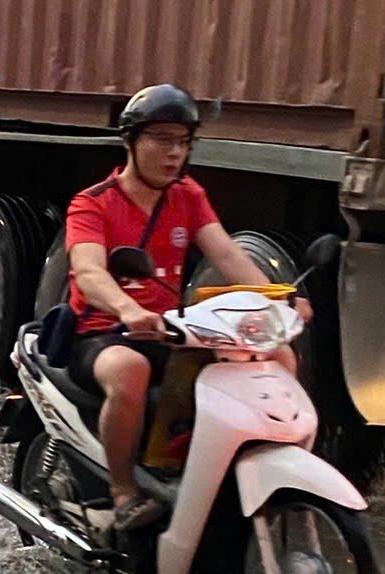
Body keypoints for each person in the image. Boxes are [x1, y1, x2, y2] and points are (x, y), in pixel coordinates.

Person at [63, 84, 298, 544]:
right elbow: (88, 272)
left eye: (183, 142)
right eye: (161, 139)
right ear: (130, 141)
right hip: (104, 332)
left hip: (173, 332)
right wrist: (129, 309)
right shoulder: (93, 203)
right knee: (129, 371)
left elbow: (228, 256)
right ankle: (123, 491)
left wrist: (278, 301)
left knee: (276, 359)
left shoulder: (187, 195)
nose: (174, 153)